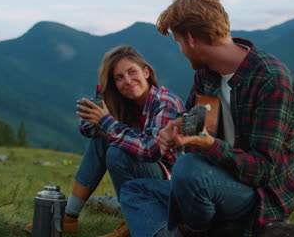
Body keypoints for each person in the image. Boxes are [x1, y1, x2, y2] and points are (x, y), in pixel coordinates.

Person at [119, 0, 294, 237]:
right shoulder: (207, 74)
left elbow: (261, 170)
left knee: (186, 171)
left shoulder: (271, 80)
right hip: (211, 182)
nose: (181, 51)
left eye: (179, 43)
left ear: (192, 39)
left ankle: (188, 231)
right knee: (134, 191)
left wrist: (207, 145)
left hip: (261, 196)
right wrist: (176, 127)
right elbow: (199, 124)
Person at [25, 45, 184, 236]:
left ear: (146, 72)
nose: (128, 80)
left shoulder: (165, 102)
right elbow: (87, 131)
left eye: (132, 72)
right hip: (149, 181)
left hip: (173, 188)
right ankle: (69, 216)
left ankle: (132, 223)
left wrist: (107, 122)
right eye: (119, 78)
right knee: (104, 138)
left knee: (116, 148)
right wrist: (101, 98)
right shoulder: (127, 104)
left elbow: (150, 150)